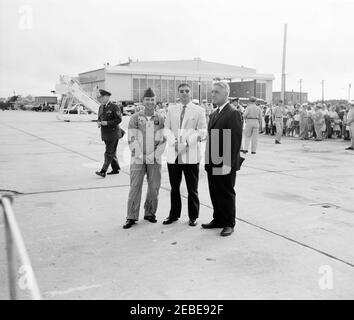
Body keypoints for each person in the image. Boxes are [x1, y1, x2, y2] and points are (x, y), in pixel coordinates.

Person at [163, 83, 207, 227]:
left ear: (191, 92)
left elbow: (202, 131)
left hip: (191, 154)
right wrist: (174, 143)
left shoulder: (199, 110)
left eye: (187, 91)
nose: (184, 93)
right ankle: (174, 215)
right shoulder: (171, 109)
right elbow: (166, 129)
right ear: (178, 93)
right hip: (174, 154)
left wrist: (187, 143)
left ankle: (193, 216)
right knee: (174, 187)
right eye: (181, 91)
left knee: (192, 189)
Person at [203, 81, 243, 237]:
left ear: (226, 94)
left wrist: (228, 164)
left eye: (216, 92)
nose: (213, 94)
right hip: (213, 159)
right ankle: (218, 219)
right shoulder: (214, 113)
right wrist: (208, 161)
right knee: (215, 191)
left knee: (226, 192)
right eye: (212, 92)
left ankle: (228, 223)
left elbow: (234, 141)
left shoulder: (233, 113)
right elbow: (211, 139)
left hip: (225, 160)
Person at [123, 88, 166, 229]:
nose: (150, 102)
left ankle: (150, 213)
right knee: (135, 187)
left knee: (154, 188)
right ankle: (131, 216)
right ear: (143, 101)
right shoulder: (135, 118)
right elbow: (132, 138)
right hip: (138, 158)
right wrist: (141, 156)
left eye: (152, 100)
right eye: (147, 99)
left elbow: (163, 140)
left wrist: (153, 156)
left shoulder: (160, 119)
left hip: (155, 158)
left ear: (155, 101)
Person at [96, 89, 124, 178]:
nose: (98, 99)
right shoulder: (101, 107)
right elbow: (99, 118)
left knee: (108, 152)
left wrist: (107, 123)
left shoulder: (114, 107)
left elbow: (119, 119)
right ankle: (115, 169)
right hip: (105, 133)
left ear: (106, 97)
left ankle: (103, 171)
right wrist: (99, 122)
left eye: (100, 97)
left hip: (113, 133)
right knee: (112, 152)